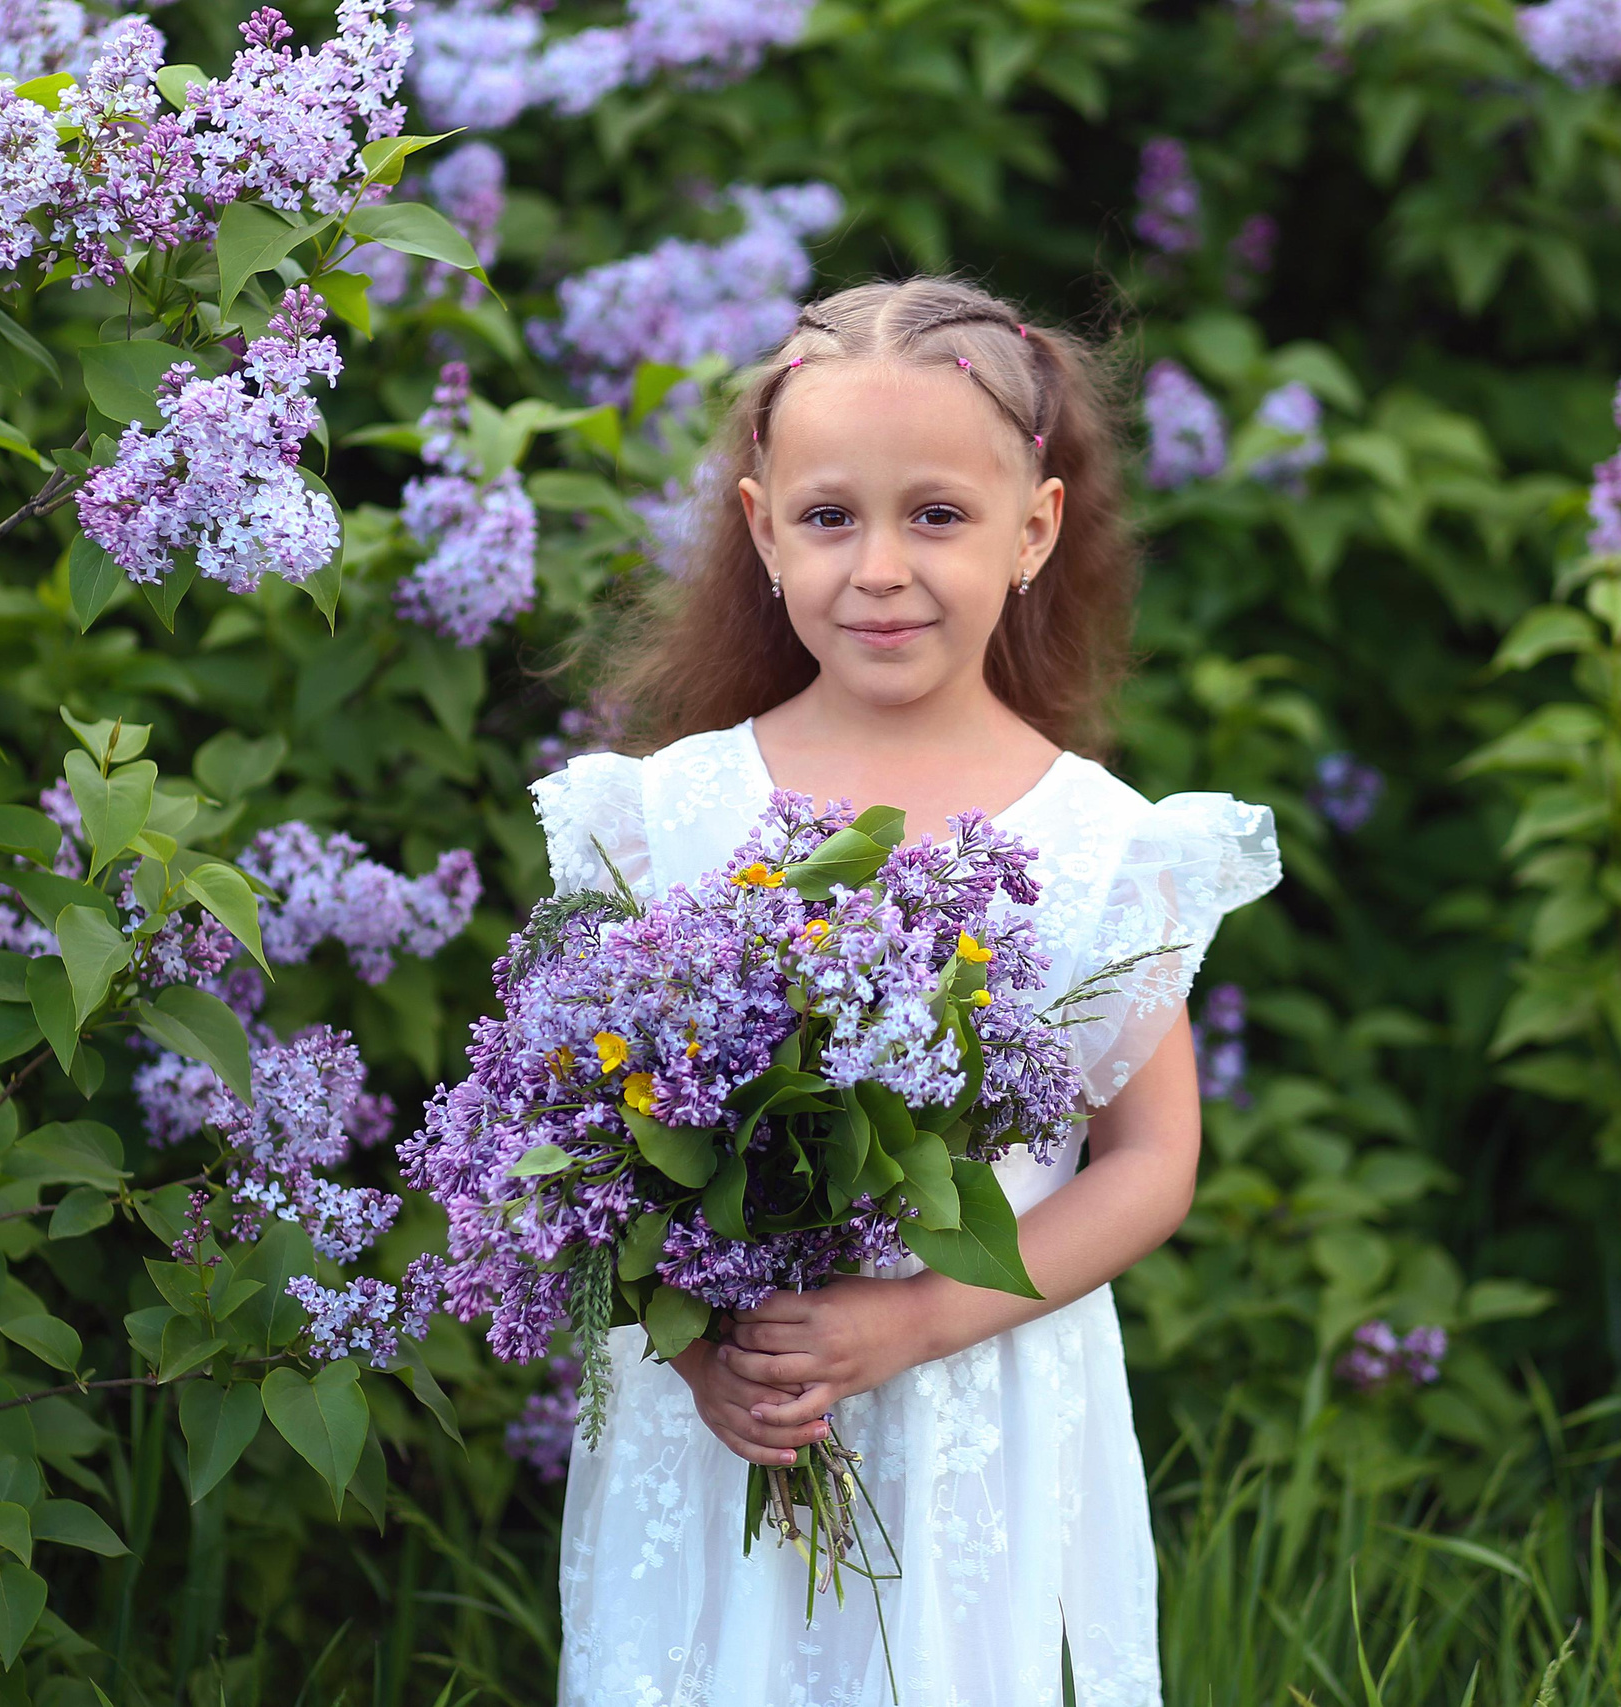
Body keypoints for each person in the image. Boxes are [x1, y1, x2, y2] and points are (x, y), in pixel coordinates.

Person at [528, 276, 1283, 1706]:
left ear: (1034, 531)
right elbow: (586, 1152)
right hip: (733, 1416)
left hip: (975, 1406)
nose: (880, 567)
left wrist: (918, 1318)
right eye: (829, 517)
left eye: (935, 514)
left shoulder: (1098, 845)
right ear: (761, 529)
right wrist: (698, 1358)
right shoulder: (669, 818)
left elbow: (1150, 1161)